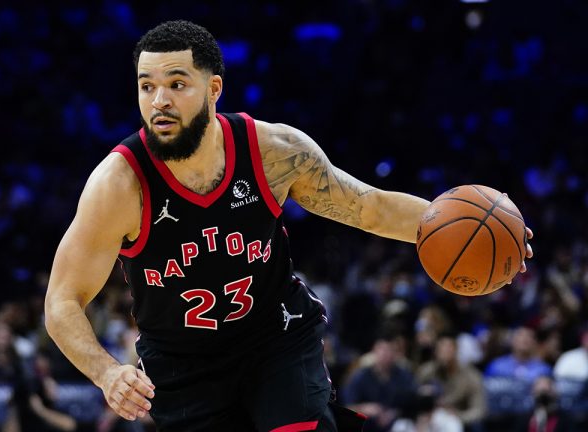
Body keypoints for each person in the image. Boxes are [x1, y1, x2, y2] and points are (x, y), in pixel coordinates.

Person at [44, 20, 534, 431]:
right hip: (182, 365)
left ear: (214, 88)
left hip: (276, 337)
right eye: (146, 85)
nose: (159, 101)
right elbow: (62, 300)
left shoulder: (273, 151)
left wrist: (468, 235)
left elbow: (369, 207)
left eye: (177, 83)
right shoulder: (119, 184)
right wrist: (107, 373)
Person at [415, 333, 486, 431]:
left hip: (457, 420)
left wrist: (459, 416)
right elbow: (412, 399)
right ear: (435, 352)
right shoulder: (426, 372)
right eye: (441, 349)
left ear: (456, 350)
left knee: (451, 424)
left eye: (448, 349)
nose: (444, 353)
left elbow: (479, 410)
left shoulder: (471, 376)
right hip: (427, 418)